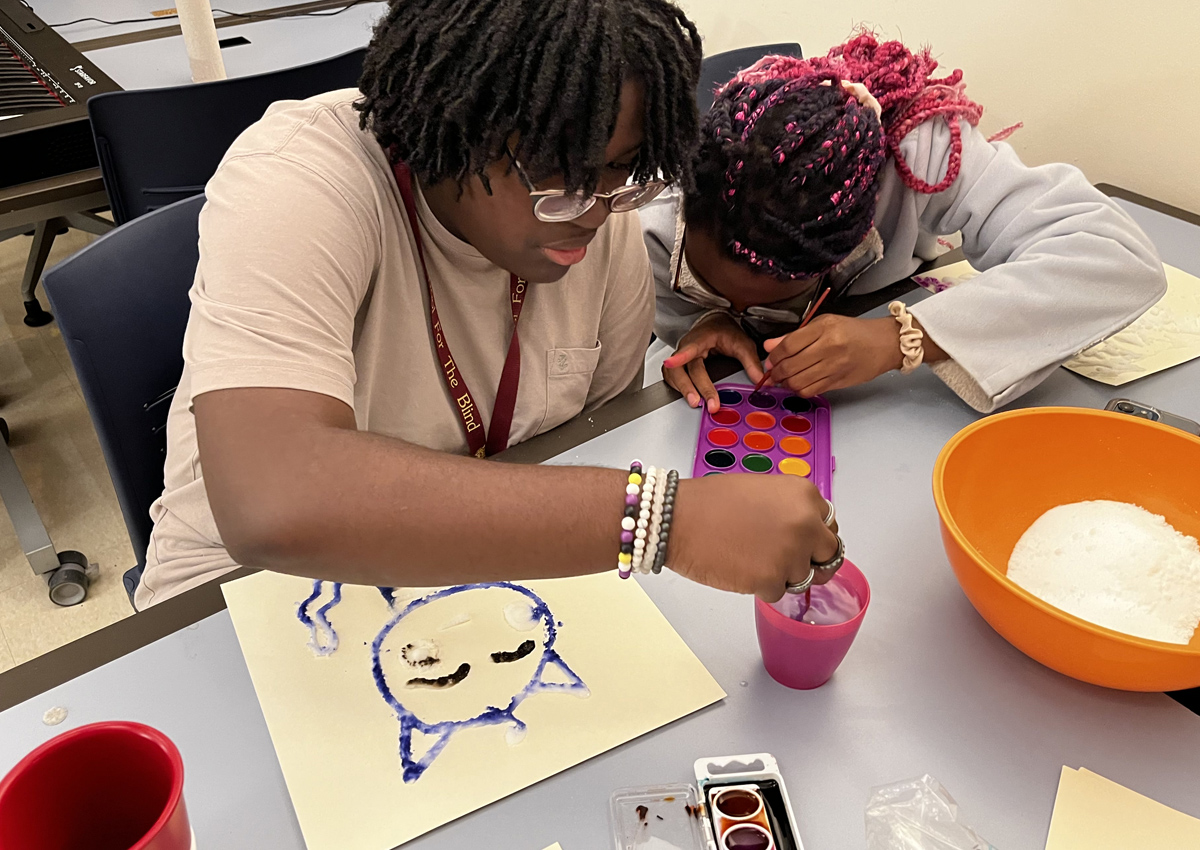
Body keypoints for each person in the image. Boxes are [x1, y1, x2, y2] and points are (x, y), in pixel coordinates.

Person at [137, 0, 841, 609]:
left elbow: (589, 445)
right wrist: (660, 520)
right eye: (557, 174)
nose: (594, 213)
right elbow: (274, 500)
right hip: (242, 599)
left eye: (622, 172)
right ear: (453, 116)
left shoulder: (605, 227)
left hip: (466, 589)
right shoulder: (299, 180)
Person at [644, 34, 1166, 413]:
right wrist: (700, 322)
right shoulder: (658, 205)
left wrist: (897, 340)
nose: (741, 308)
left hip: (886, 411)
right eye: (711, 288)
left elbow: (1114, 256)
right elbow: (646, 314)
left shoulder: (912, 155)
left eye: (772, 297)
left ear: (849, 238)